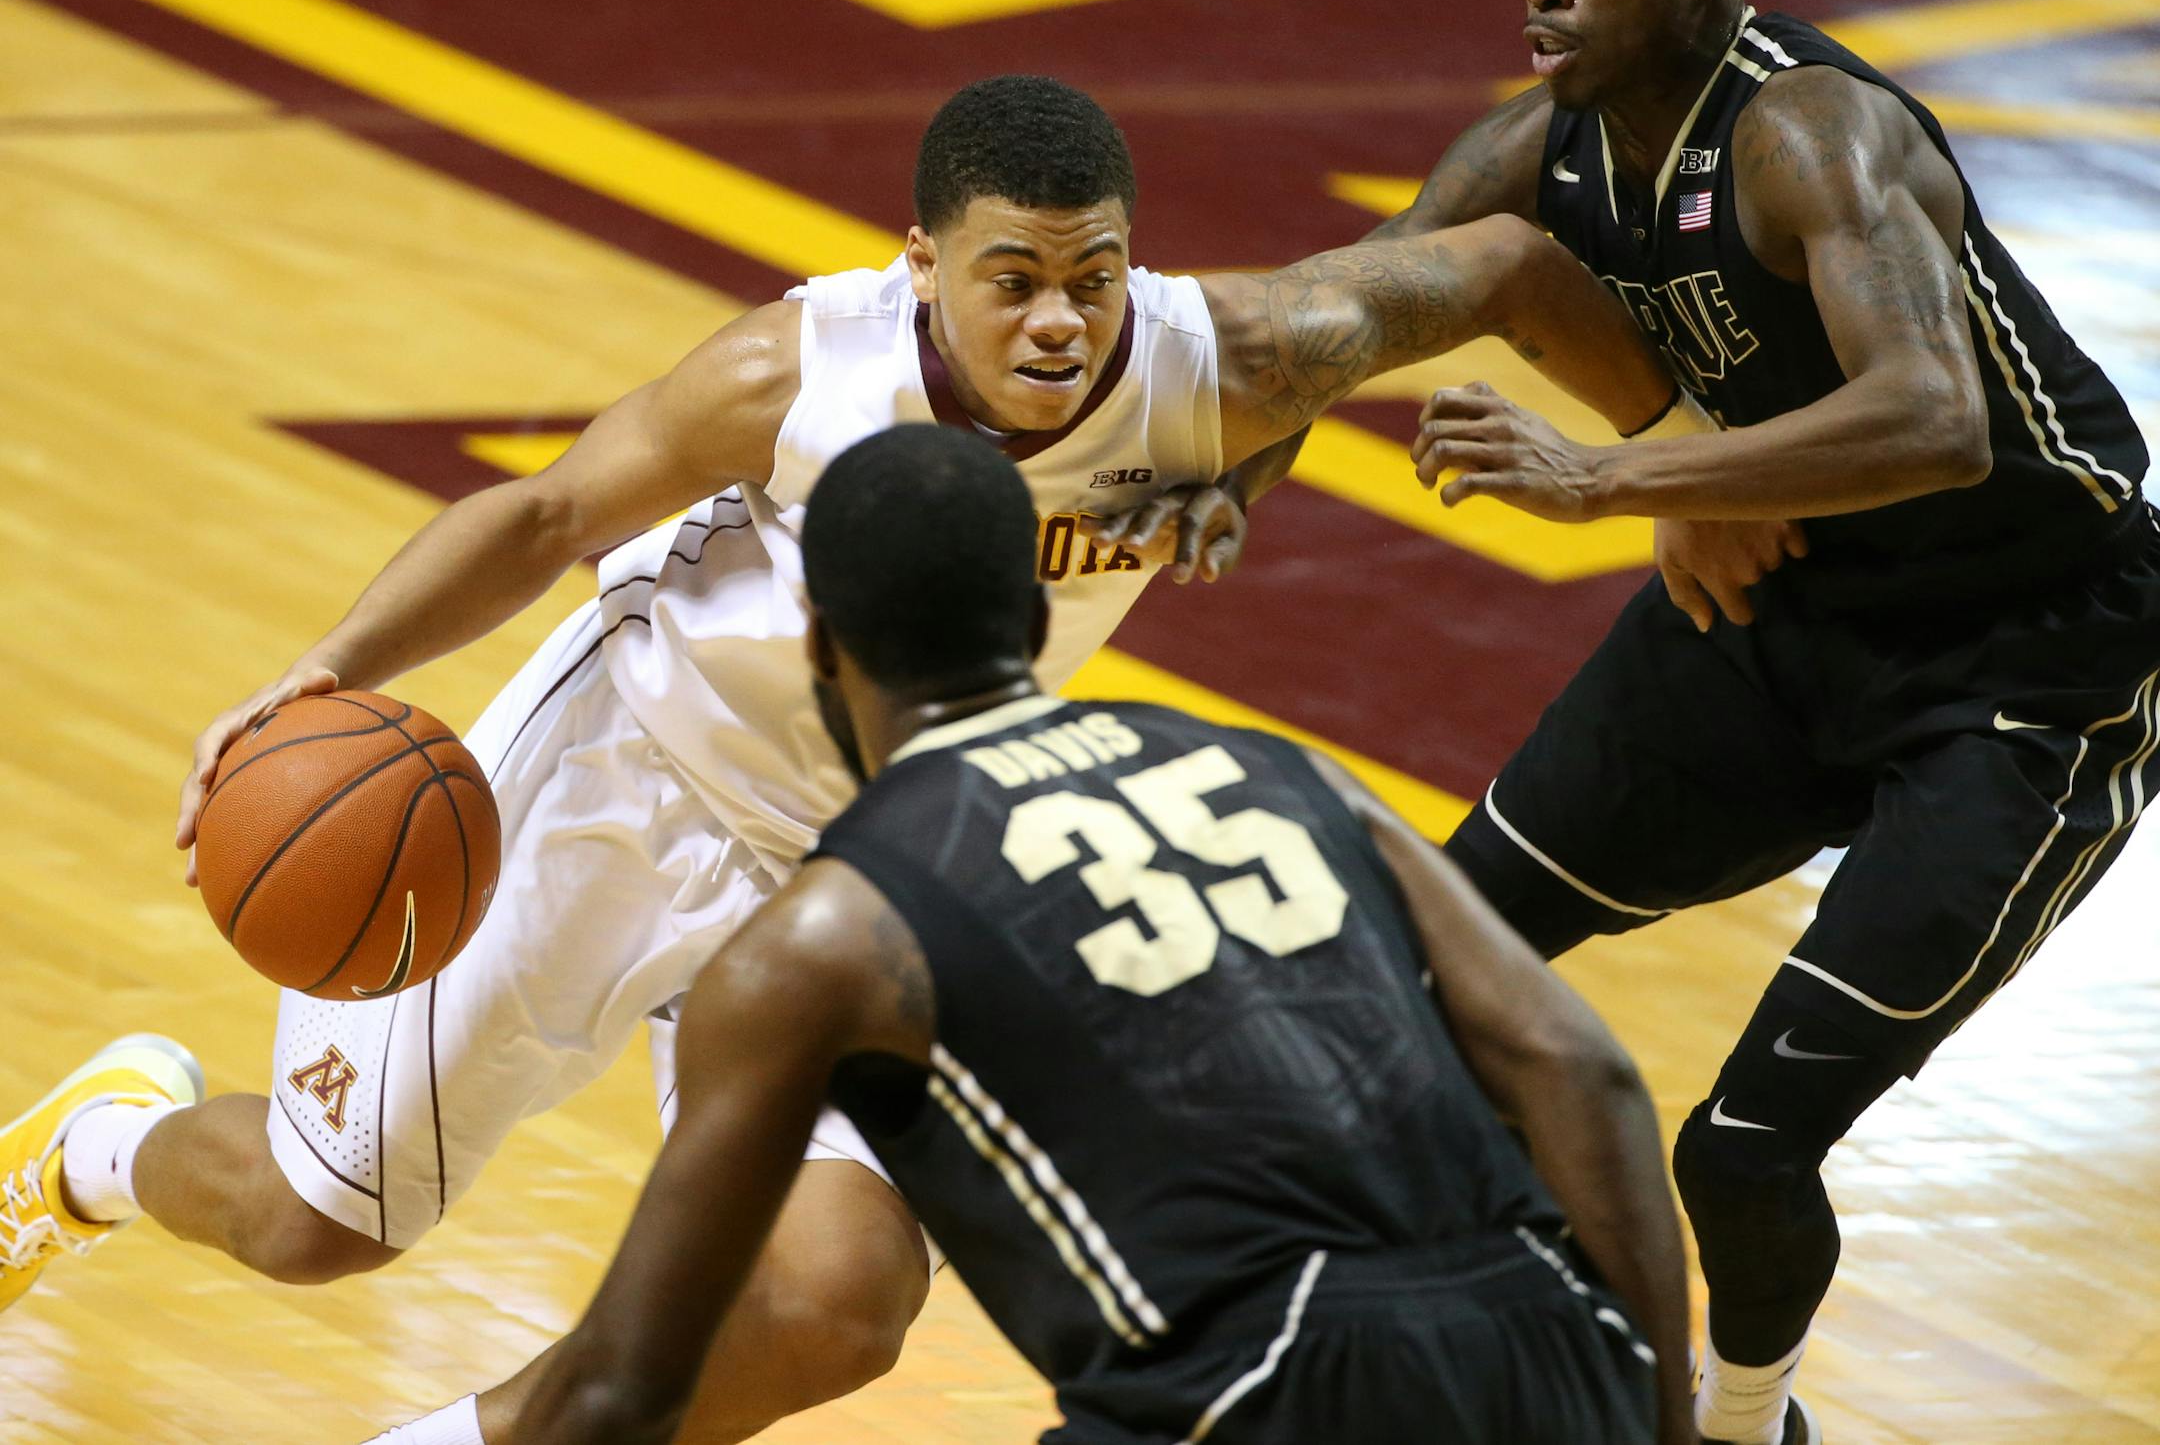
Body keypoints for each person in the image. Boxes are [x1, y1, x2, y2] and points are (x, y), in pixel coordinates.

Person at [0, 74, 1682, 1443]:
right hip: (623, 785)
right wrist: (328, 669)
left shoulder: (1215, 358)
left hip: (881, 867)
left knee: (835, 1308)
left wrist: (1675, 471)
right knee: (319, 1227)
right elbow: (549, 511)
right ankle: (97, 1145)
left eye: (1093, 276)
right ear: (921, 264)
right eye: (1012, 278)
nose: (1058, 322)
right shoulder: (798, 370)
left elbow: (1504, 264)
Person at [1388, 0, 2160, 1445]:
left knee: (1740, 1149)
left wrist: (1621, 478)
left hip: (2029, 669)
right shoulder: (1542, 147)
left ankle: (1746, 1432)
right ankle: (1512, 1349)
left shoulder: (1813, 130)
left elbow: (1937, 419)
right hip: (1792, 607)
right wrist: (1177, 458)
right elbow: (1353, 302)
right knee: (1428, 977)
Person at [513, 422, 1693, 1445]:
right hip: (1557, 1339)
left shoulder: (830, 929)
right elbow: (1582, 1070)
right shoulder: (1287, 770)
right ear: (1032, 616)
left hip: (1259, 1391)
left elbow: (620, 1390)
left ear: (821, 642)